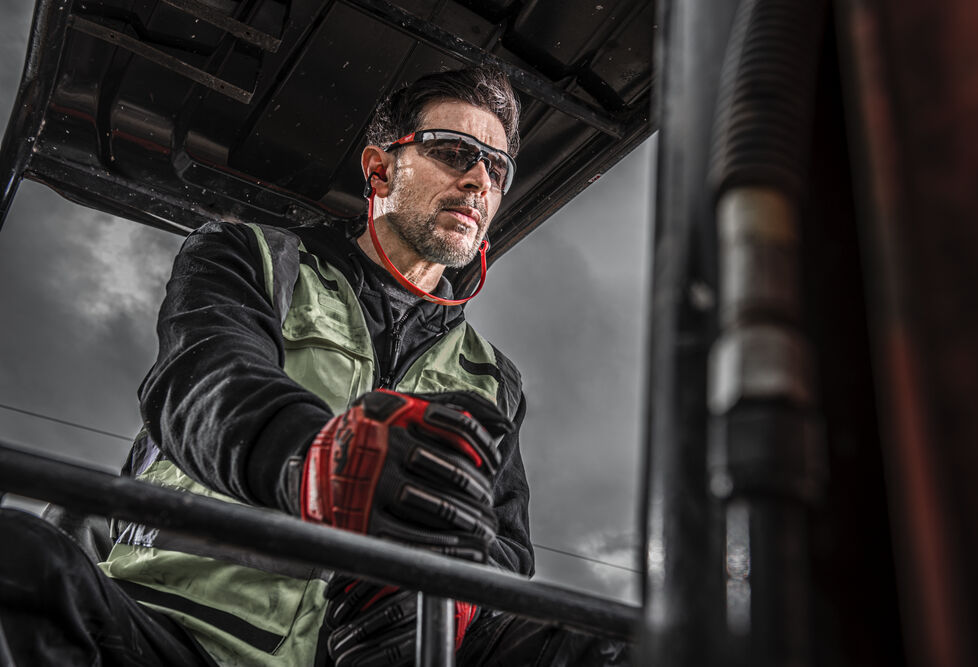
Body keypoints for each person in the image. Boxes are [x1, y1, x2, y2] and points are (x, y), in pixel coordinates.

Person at [0, 65, 627, 666]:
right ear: (380, 168)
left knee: (616, 648)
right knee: (17, 557)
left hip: (354, 657)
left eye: (497, 167)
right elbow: (203, 386)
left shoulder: (492, 378)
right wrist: (323, 463)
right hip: (164, 627)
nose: (478, 182)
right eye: (455, 153)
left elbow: (505, 551)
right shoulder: (252, 257)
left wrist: (451, 602)